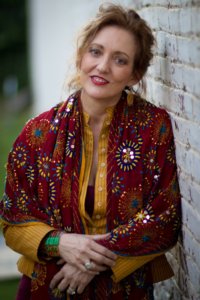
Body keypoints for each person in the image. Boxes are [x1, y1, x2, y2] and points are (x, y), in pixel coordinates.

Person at [0, 3, 181, 300]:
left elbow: (165, 217)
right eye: (96, 52)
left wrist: (91, 259)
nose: (103, 67)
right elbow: (12, 217)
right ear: (82, 55)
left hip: (123, 290)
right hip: (50, 286)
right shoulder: (38, 133)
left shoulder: (153, 127)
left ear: (134, 75)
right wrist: (59, 243)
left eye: (119, 60)